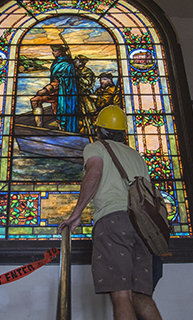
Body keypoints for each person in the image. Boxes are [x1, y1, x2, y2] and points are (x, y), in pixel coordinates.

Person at [58, 105, 163, 320]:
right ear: (123, 132)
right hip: (143, 227)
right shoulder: (136, 155)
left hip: (113, 221)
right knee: (141, 295)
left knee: (121, 295)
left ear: (99, 130)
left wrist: (77, 212)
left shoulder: (96, 147)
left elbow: (94, 172)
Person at [30, 44, 79, 132]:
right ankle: (39, 128)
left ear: (62, 51)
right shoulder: (56, 63)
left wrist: (46, 90)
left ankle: (63, 130)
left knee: (60, 114)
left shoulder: (66, 65)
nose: (53, 52)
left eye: (55, 50)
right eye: (53, 50)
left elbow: (58, 82)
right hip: (54, 93)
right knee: (35, 101)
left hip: (64, 94)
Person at [73, 54, 97, 133]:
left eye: (76, 60)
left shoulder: (87, 71)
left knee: (87, 116)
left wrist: (79, 77)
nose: (74, 62)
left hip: (84, 96)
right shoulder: (73, 69)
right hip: (75, 95)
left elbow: (88, 83)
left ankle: (89, 131)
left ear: (81, 62)